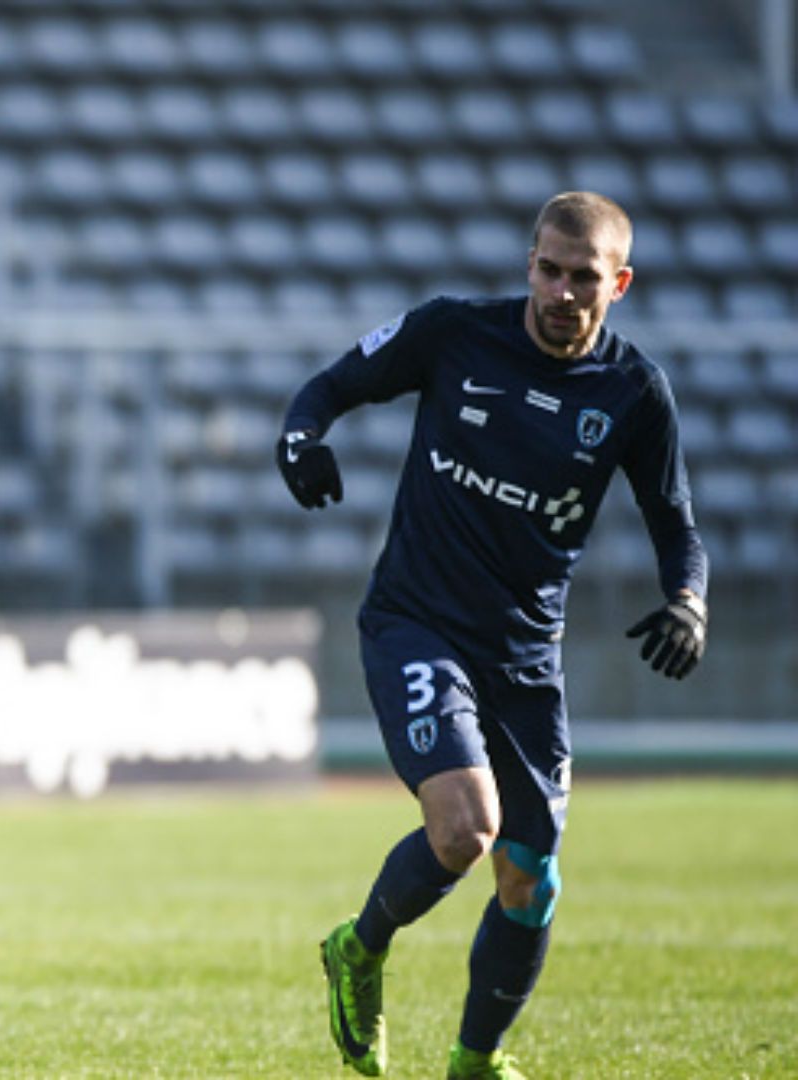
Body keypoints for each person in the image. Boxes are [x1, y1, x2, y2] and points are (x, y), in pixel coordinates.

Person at [279, 192, 708, 1080]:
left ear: (618, 283)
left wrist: (688, 602)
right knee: (467, 829)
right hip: (416, 623)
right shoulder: (452, 334)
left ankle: (475, 1063)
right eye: (547, 269)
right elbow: (328, 387)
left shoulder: (633, 393)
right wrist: (301, 438)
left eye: (582, 277)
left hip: (523, 657)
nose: (560, 291)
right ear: (529, 264)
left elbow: (677, 526)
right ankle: (360, 950)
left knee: (528, 879)